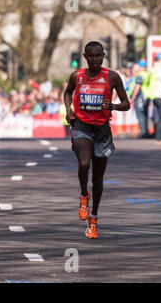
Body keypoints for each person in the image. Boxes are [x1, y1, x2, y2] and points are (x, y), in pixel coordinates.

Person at [63, 41, 130, 239]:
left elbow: (126, 103)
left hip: (102, 130)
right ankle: (84, 195)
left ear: (103, 55)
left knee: (98, 178)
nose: (94, 60)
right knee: (84, 163)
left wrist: (113, 106)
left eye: (98, 56)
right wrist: (69, 110)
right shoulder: (77, 76)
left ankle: (94, 217)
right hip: (81, 126)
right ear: (85, 56)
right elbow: (68, 92)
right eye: (91, 56)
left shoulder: (112, 77)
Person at [128, 60, 151, 138]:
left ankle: (143, 133)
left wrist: (133, 98)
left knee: (140, 115)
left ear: (140, 67)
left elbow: (137, 86)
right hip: (146, 97)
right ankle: (146, 132)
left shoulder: (140, 75)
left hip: (140, 97)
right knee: (144, 115)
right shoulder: (147, 74)